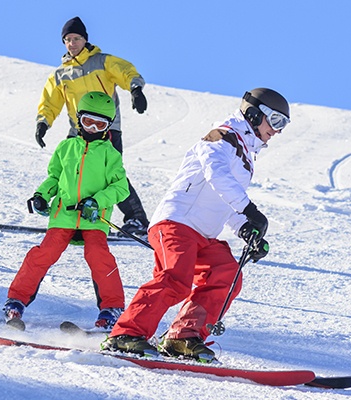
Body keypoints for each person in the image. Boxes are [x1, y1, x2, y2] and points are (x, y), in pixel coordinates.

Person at [102, 88, 290, 362]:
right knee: (176, 279)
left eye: (283, 124)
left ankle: (183, 337)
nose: (278, 130)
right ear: (253, 114)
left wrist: (245, 228)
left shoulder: (246, 155)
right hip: (177, 222)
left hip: (203, 233)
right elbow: (217, 175)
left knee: (226, 274)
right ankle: (125, 334)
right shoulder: (220, 137)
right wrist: (250, 211)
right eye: (275, 120)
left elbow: (223, 198)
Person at [4, 92, 131, 330]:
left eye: (100, 124)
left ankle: (112, 309)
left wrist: (97, 201)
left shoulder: (110, 154)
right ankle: (16, 301)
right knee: (43, 254)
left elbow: (121, 188)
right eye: (88, 122)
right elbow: (54, 177)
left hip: (93, 218)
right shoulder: (65, 147)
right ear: (78, 120)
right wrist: (42, 195)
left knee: (99, 256)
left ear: (108, 126)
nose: (93, 128)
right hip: (63, 215)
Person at [33, 16, 149, 237]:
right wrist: (43, 123)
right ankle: (72, 218)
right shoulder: (60, 75)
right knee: (69, 173)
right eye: (68, 39)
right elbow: (49, 102)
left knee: (110, 174)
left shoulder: (102, 62)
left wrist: (136, 90)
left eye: (76, 38)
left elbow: (127, 72)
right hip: (77, 132)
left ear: (85, 39)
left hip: (107, 129)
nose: (72, 43)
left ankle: (137, 219)